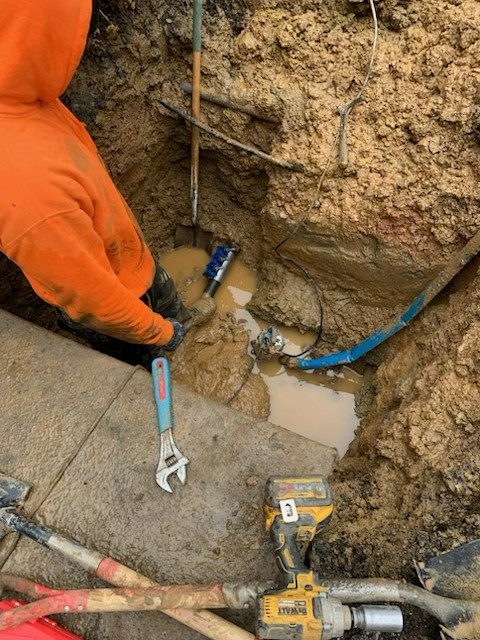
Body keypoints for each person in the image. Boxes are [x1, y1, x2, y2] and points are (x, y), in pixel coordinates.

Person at [0, 0, 197, 368]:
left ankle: (175, 324)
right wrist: (160, 333)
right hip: (111, 309)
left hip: (127, 257)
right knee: (139, 359)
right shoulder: (30, 193)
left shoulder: (17, 93)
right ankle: (156, 358)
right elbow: (95, 302)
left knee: (166, 299)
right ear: (37, 40)